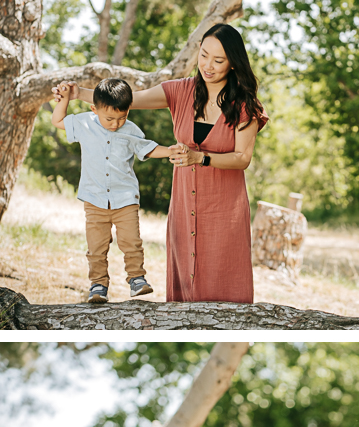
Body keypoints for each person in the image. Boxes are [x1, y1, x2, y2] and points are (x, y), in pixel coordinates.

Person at [60, 24, 268, 305]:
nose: (208, 65)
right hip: (184, 207)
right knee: (185, 289)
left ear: (233, 63)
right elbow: (129, 100)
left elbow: (242, 158)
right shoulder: (180, 91)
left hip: (224, 211)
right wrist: (78, 93)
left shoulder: (245, 105)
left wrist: (200, 157)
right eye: (204, 55)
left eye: (218, 60)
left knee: (224, 284)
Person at [51, 79, 178, 304]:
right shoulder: (84, 123)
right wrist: (65, 99)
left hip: (125, 199)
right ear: (94, 109)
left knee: (131, 241)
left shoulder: (131, 130)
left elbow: (147, 148)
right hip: (94, 200)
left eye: (122, 117)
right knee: (96, 246)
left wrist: (170, 151)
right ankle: (98, 285)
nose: (115, 124)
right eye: (109, 118)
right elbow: (58, 120)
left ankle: (137, 279)